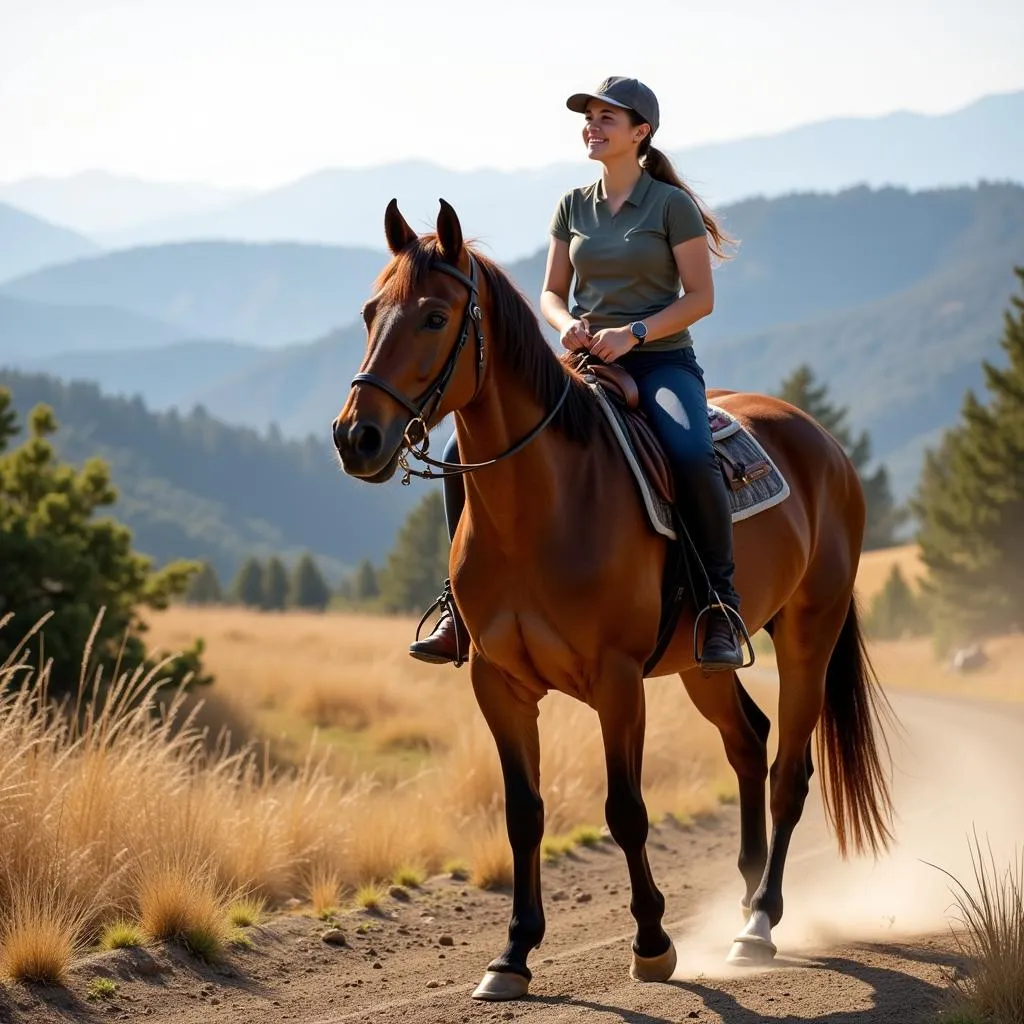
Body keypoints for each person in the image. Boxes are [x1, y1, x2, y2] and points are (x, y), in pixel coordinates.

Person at [409, 76, 746, 672]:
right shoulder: (571, 205)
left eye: (606, 118)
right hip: (583, 358)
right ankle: (461, 605)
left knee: (691, 453)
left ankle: (719, 604)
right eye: (587, 117)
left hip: (660, 360)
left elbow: (700, 298)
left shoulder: (672, 206)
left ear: (640, 132)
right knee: (462, 449)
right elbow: (550, 292)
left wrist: (635, 333)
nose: (591, 125)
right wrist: (564, 324)